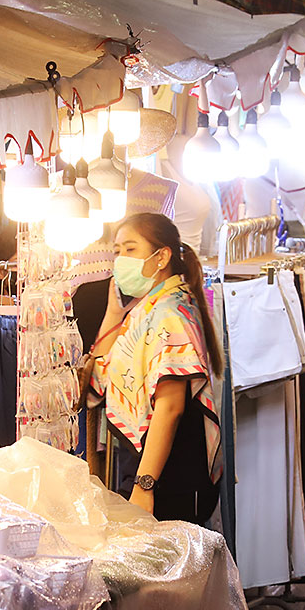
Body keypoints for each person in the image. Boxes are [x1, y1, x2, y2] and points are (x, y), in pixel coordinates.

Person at [85, 213, 222, 522]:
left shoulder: (168, 314)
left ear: (162, 256)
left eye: (131, 249)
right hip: (150, 467)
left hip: (165, 477)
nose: (120, 259)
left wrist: (145, 485)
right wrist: (113, 311)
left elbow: (169, 408)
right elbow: (100, 374)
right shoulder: (148, 309)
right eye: (117, 251)